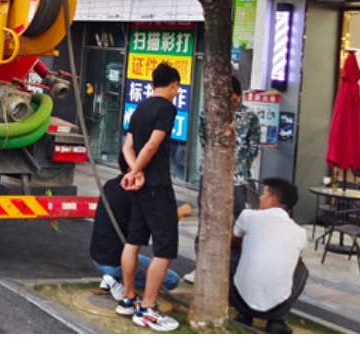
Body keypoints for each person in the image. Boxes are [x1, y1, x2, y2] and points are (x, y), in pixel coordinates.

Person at [116, 62, 181, 332]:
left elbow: (127, 146)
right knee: (165, 249)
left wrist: (132, 171)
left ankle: (128, 299)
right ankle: (147, 308)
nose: (177, 93)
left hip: (141, 186)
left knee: (134, 240)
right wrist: (139, 171)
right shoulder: (166, 108)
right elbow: (153, 145)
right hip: (157, 186)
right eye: (177, 88)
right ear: (173, 84)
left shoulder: (140, 108)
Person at [185, 75, 260, 284]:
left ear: (236, 96)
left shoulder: (250, 117)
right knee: (206, 222)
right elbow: (204, 140)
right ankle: (201, 267)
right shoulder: (207, 114)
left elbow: (254, 147)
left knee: (235, 225)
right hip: (209, 176)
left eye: (229, 96)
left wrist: (239, 167)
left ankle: (230, 270)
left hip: (236, 181)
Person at [90, 173, 187, 301]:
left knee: (132, 254)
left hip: (98, 255)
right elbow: (157, 229)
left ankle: (112, 278)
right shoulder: (141, 194)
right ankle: (117, 281)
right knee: (171, 280)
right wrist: (178, 214)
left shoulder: (110, 184)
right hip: (115, 260)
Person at [230, 177, 308, 334]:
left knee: (232, 252)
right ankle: (277, 322)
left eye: (264, 194)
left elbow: (233, 242)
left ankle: (245, 315)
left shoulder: (248, 216)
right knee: (301, 269)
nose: (260, 197)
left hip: (240, 300)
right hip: (277, 307)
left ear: (273, 199)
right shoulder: (300, 232)